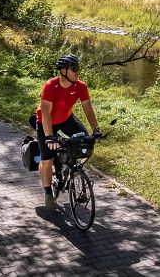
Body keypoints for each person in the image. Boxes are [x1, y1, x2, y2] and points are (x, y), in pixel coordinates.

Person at [34, 54, 101, 210]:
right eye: (74, 69)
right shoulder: (51, 86)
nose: (77, 72)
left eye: (78, 68)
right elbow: (45, 114)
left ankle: (74, 171)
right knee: (47, 160)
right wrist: (50, 137)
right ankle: (48, 193)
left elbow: (88, 108)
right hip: (46, 121)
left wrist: (96, 130)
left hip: (66, 119)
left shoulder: (80, 86)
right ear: (63, 71)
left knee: (83, 141)